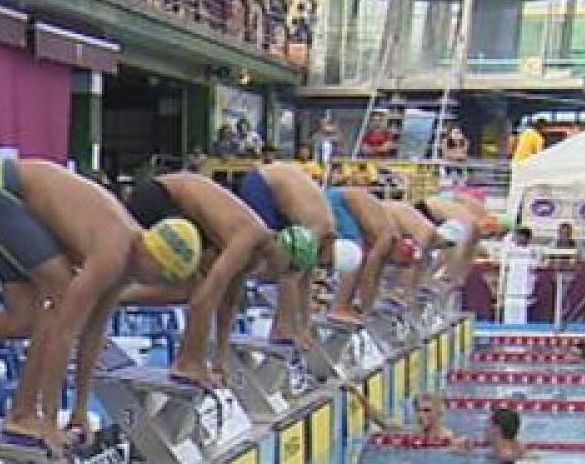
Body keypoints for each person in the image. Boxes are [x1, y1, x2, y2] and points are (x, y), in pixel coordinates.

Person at [0, 158, 201, 452]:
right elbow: (64, 334)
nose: (152, 283)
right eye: (157, 276)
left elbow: (91, 337)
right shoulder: (113, 253)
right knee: (62, 299)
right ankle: (24, 414)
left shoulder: (127, 264)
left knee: (24, 320)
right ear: (152, 255)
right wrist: (51, 421)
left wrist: (79, 409)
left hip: (3, 195)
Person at [125, 173, 315, 385]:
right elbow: (207, 297)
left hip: (178, 204)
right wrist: (196, 362)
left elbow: (229, 302)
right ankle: (187, 362)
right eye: (287, 269)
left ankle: (114, 299)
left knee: (196, 287)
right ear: (283, 251)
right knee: (199, 288)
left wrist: (221, 360)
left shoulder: (255, 252)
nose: (281, 277)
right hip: (159, 195)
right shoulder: (248, 238)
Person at [235, 163, 344, 346]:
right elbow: (291, 275)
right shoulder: (319, 228)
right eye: (326, 264)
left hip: (279, 194)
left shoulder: (322, 233)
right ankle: (281, 329)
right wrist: (294, 330)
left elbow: (306, 282)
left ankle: (286, 326)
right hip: (263, 185)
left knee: (293, 266)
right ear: (332, 242)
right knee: (281, 265)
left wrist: (307, 326)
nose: (322, 268)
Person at [325, 185, 399, 323]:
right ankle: (338, 308)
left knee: (360, 255)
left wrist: (368, 304)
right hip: (339, 201)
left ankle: (344, 305)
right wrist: (367, 309)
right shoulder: (387, 238)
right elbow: (370, 275)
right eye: (399, 263)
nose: (396, 265)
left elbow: (375, 276)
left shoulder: (388, 237)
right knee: (354, 253)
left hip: (344, 201)